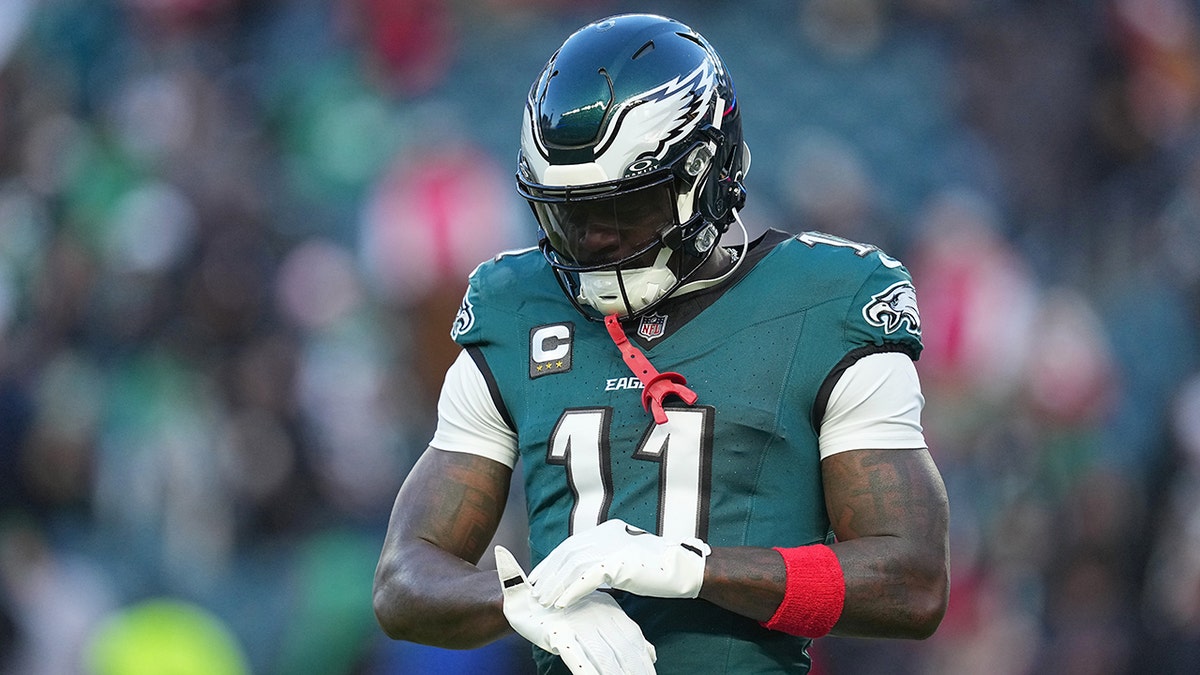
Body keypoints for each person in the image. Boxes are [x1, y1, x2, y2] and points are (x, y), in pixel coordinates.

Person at [373, 13, 950, 674]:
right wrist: (523, 601)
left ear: (705, 174)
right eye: (569, 213)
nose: (594, 239)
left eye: (622, 207)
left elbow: (913, 583)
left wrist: (693, 570)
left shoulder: (826, 298)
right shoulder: (516, 307)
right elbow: (402, 580)